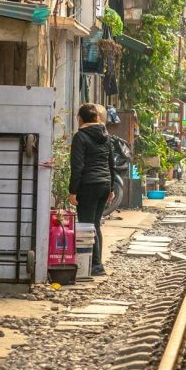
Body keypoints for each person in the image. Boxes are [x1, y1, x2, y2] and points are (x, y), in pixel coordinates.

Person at [68, 103, 117, 276]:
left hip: (89, 185)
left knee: (87, 226)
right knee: (95, 224)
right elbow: (111, 164)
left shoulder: (80, 137)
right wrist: (111, 188)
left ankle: (94, 266)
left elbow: (77, 167)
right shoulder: (106, 136)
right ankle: (96, 264)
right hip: (104, 184)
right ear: (96, 118)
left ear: (80, 119)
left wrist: (73, 191)